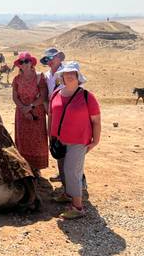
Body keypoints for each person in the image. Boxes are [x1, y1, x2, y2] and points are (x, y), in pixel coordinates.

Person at [49, 61, 101, 219]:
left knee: (73, 171)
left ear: (78, 77)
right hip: (59, 139)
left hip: (78, 140)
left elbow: (96, 120)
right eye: (66, 74)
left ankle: (78, 207)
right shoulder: (56, 94)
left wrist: (95, 140)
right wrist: (50, 135)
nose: (69, 76)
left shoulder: (87, 96)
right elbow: (51, 116)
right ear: (62, 77)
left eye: (72, 73)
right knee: (64, 169)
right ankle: (68, 194)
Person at [12, 52, 49, 176]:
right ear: (19, 65)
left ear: (31, 62)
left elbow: (43, 96)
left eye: (27, 61)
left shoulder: (39, 76)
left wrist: (30, 107)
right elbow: (15, 97)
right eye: (22, 62)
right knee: (23, 139)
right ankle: (24, 166)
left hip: (36, 112)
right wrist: (23, 109)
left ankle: (36, 168)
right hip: (21, 113)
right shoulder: (16, 79)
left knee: (37, 140)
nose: (25, 64)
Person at [40, 47, 66, 182]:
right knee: (56, 144)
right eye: (47, 59)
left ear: (59, 57)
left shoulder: (68, 72)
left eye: (51, 58)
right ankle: (62, 174)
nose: (49, 61)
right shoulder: (47, 76)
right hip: (52, 114)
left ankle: (77, 178)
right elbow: (46, 96)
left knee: (69, 146)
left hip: (67, 115)